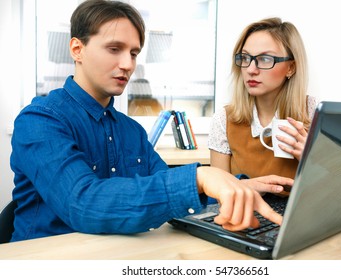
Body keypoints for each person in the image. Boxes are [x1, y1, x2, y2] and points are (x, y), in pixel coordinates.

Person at [9, 0, 284, 242]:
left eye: (133, 53)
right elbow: (83, 203)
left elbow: (166, 183)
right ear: (77, 49)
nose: (128, 64)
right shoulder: (39, 121)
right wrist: (200, 176)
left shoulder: (131, 131)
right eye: (114, 49)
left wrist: (237, 188)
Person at [208, 18, 317, 195]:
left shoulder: (312, 113)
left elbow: (335, 192)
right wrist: (243, 187)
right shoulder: (225, 118)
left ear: (291, 67)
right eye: (245, 58)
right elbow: (217, 193)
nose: (251, 69)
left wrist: (313, 158)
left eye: (265, 59)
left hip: (300, 218)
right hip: (246, 216)